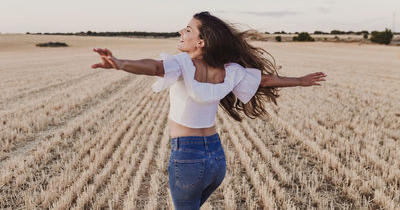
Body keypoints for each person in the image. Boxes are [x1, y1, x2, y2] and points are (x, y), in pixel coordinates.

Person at [91, 11, 327, 209]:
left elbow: (154, 67)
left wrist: (120, 63)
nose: (181, 33)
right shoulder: (230, 70)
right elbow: (264, 81)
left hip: (187, 158)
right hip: (216, 158)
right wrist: (299, 80)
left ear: (201, 42)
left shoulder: (181, 64)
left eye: (187, 30)